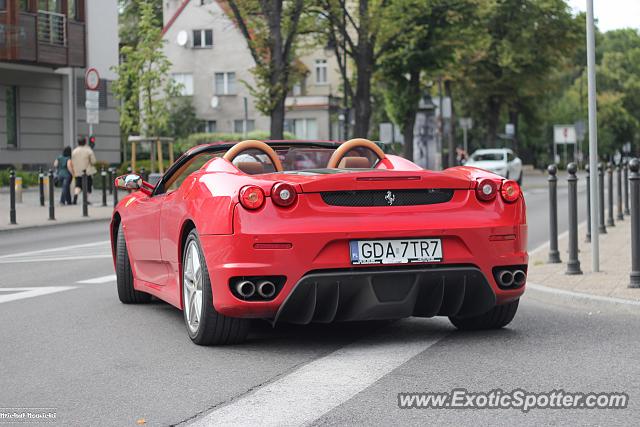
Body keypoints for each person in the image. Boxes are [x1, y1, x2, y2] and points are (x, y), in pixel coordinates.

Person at [71, 136, 97, 205]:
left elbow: (72, 162)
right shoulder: (88, 150)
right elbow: (93, 161)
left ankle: (75, 196)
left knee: (78, 185)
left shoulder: (74, 151)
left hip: (77, 171)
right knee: (88, 185)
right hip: (87, 171)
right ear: (85, 142)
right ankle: (86, 199)